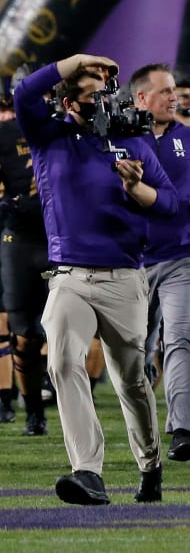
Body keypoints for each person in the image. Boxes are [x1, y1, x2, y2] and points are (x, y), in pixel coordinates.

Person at [14, 54, 179, 506]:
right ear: (68, 101)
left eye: (105, 92)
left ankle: (150, 464)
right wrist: (78, 61)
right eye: (89, 94)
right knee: (63, 361)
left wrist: (137, 190)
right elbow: (24, 92)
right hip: (70, 274)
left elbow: (169, 204)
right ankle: (88, 472)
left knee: (131, 380)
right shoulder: (51, 137)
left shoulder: (134, 143)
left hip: (125, 275)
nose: (101, 100)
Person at [130, 64, 190, 463]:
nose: (175, 98)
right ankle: (143, 430)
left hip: (184, 254)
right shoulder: (121, 138)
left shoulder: (189, 136)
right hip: (130, 259)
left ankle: (183, 430)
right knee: (136, 348)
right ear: (141, 98)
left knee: (181, 337)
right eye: (166, 91)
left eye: (175, 91)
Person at [0, 66, 51, 436]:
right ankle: (34, 409)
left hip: (63, 240)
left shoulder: (66, 129)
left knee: (65, 331)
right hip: (21, 240)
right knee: (24, 335)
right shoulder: (4, 134)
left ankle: (67, 399)